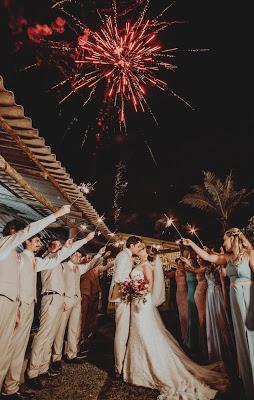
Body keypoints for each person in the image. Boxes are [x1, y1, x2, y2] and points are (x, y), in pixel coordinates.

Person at [123, 246, 229, 400]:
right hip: (137, 303)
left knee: (146, 332)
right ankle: (138, 367)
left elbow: (150, 285)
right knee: (139, 332)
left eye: (141, 248)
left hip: (142, 302)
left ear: (146, 253)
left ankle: (153, 367)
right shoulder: (139, 264)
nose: (139, 249)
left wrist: (138, 291)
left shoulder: (146, 265)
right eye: (139, 248)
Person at [2, 232, 86, 399]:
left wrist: (78, 243)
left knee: (47, 337)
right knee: (31, 339)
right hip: (39, 300)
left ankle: (38, 371)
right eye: (53, 245)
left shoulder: (47, 261)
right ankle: (28, 375)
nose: (57, 247)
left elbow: (60, 256)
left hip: (40, 301)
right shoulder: (30, 258)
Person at [0, 205, 71, 392]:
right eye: (22, 234)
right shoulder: (8, 248)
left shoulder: (21, 257)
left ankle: (10, 387)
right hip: (8, 303)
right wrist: (56, 214)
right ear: (13, 234)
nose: (26, 238)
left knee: (14, 348)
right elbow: (31, 230)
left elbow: (53, 261)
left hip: (22, 304)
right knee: (5, 349)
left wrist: (69, 247)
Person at [182, 228, 254, 400]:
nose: (223, 243)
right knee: (241, 339)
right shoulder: (227, 258)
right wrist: (191, 243)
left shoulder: (251, 253)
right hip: (235, 300)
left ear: (233, 239)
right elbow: (208, 258)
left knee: (251, 335)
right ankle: (247, 380)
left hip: (249, 298)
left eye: (225, 240)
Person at [26, 231, 95, 389]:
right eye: (54, 244)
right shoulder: (48, 260)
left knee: (50, 336)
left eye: (58, 244)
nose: (57, 247)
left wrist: (69, 247)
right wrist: (84, 239)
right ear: (49, 247)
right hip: (50, 298)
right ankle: (32, 372)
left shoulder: (57, 262)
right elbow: (62, 253)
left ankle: (43, 369)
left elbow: (67, 254)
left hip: (59, 299)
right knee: (43, 335)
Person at [52, 246, 108, 367]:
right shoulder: (62, 267)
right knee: (61, 330)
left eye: (79, 256)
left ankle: (71, 354)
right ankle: (56, 357)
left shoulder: (79, 268)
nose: (78, 257)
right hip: (66, 301)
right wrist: (62, 299)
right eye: (75, 255)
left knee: (75, 328)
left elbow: (91, 265)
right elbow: (58, 283)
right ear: (70, 256)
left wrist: (99, 253)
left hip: (77, 301)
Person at [108, 236, 143, 377]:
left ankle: (122, 364)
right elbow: (118, 277)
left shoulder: (127, 256)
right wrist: (133, 284)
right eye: (139, 246)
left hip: (125, 295)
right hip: (121, 296)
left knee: (124, 329)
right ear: (132, 245)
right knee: (121, 331)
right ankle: (119, 368)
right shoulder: (123, 256)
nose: (140, 248)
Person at [79, 250, 113, 352]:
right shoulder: (82, 268)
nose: (88, 259)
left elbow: (106, 267)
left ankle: (87, 336)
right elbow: (94, 263)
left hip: (94, 294)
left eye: (90, 258)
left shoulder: (95, 268)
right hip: (85, 294)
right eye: (87, 258)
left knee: (92, 316)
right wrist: (104, 256)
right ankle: (79, 338)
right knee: (82, 316)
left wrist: (116, 261)